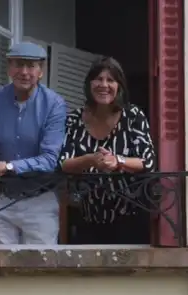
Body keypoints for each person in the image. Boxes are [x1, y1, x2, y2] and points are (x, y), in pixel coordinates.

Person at [0, 41, 67, 245]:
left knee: (40, 262)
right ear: (9, 68)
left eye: (31, 66)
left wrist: (7, 167)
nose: (24, 72)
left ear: (41, 71)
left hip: (39, 200)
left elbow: (50, 159)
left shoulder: (54, 104)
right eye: (18, 64)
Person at [58, 56, 156, 245]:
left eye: (110, 80)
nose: (104, 85)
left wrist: (118, 161)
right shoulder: (73, 120)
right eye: (98, 79)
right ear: (89, 84)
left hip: (130, 219)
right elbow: (63, 163)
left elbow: (148, 161)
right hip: (85, 219)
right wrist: (91, 160)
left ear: (119, 86)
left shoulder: (133, 116)